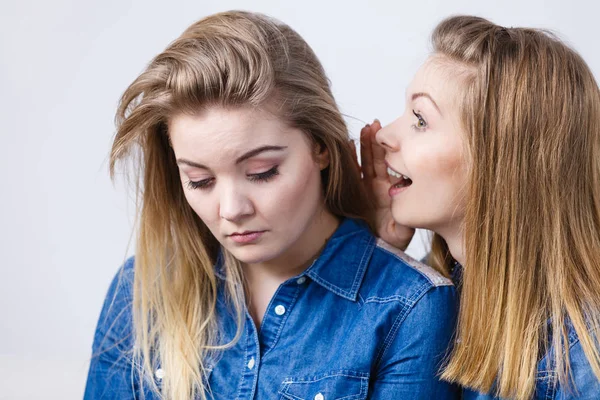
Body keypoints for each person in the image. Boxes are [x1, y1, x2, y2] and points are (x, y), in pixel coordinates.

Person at [84, 11, 459, 400]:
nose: (231, 209)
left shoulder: (410, 308)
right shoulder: (141, 289)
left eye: (262, 172)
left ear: (320, 147)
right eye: (200, 180)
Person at [361, 15, 600, 400]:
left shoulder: (581, 356)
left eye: (420, 120)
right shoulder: (441, 294)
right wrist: (385, 258)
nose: (385, 135)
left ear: (500, 161)